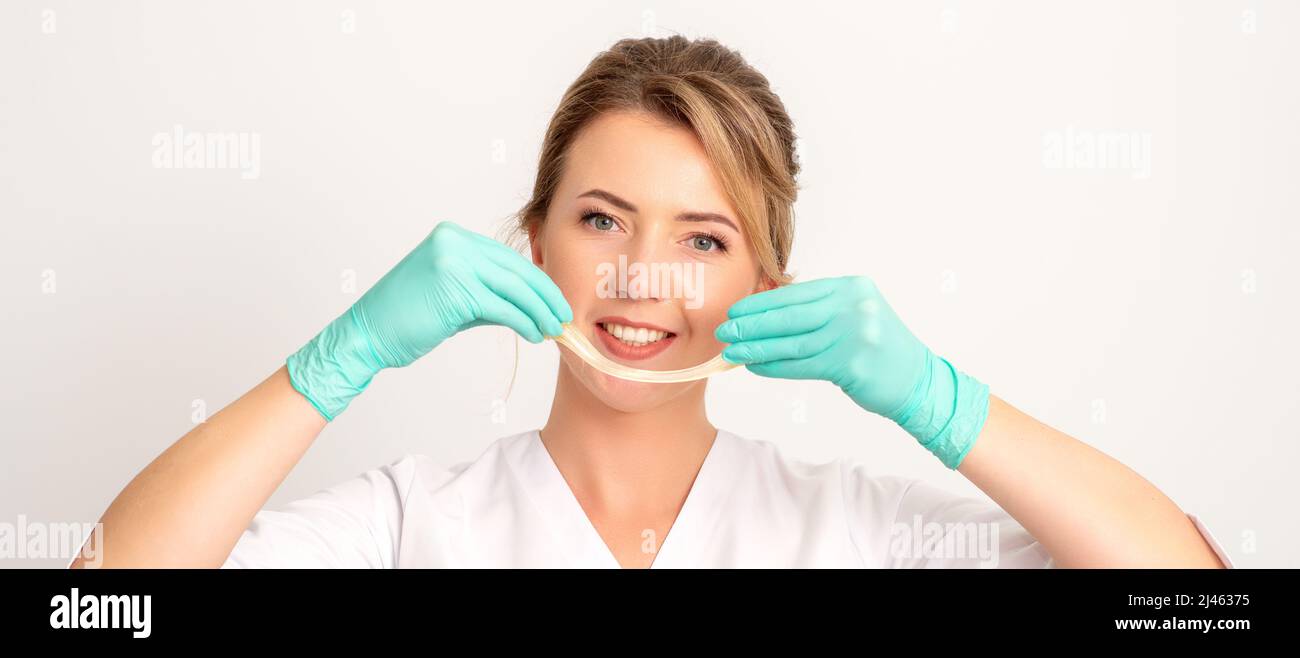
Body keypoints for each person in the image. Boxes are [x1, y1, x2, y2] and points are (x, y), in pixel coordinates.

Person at [72, 35, 1233, 569]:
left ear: (765, 283)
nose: (641, 275)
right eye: (599, 220)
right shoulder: (405, 529)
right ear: (530, 243)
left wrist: (945, 404)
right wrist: (340, 358)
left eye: (704, 237)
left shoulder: (865, 536)